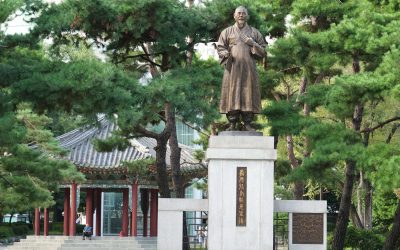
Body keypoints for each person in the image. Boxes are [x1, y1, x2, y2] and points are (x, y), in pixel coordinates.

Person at [217, 6, 266, 131]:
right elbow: (220, 47)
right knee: (232, 93)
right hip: (232, 68)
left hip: (249, 69)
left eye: (244, 13)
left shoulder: (254, 32)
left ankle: (248, 123)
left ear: (247, 16)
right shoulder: (227, 32)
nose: (241, 15)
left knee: (248, 93)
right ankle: (232, 123)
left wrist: (253, 43)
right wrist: (225, 54)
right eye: (239, 13)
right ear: (234, 15)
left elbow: (263, 51)